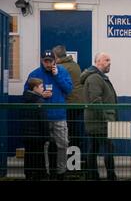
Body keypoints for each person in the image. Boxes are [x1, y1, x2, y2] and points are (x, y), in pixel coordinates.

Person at [24, 50, 72, 180]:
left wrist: (57, 76)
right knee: (43, 146)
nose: (48, 64)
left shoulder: (62, 72)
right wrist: (40, 95)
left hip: (59, 116)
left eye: (50, 61)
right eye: (45, 61)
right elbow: (26, 93)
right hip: (42, 118)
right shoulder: (34, 74)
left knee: (63, 144)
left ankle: (61, 172)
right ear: (41, 60)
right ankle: (46, 173)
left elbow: (69, 89)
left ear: (54, 61)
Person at [81, 52, 118, 180]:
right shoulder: (95, 78)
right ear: (98, 62)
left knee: (93, 149)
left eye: (110, 60)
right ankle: (110, 176)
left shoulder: (98, 77)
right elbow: (95, 101)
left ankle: (93, 176)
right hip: (101, 123)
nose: (109, 62)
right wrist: (106, 120)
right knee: (108, 150)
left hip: (96, 122)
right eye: (106, 60)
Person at [53, 45, 86, 174]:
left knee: (67, 136)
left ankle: (69, 167)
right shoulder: (75, 65)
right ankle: (75, 166)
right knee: (77, 135)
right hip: (79, 104)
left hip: (69, 105)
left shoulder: (61, 68)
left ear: (56, 56)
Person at [22, 78, 50, 180]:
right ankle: (40, 175)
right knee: (39, 156)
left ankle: (28, 175)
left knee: (28, 155)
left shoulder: (24, 99)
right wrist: (47, 136)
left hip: (27, 134)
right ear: (35, 88)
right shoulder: (39, 101)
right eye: (41, 86)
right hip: (38, 135)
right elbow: (43, 121)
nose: (43, 88)